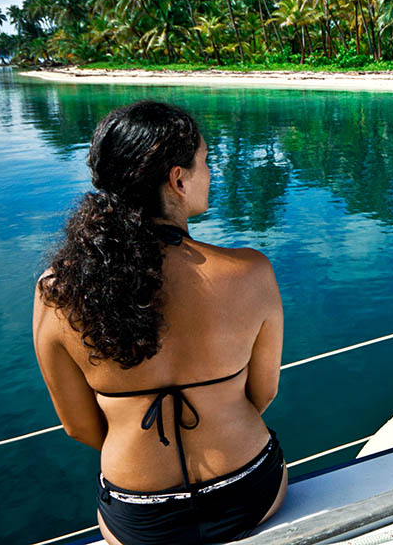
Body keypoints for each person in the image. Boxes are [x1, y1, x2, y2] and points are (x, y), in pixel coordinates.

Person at [33, 100, 286, 545]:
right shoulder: (251, 272)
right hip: (247, 489)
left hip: (139, 517)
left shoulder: (57, 292)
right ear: (177, 178)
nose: (210, 173)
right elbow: (262, 394)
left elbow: (79, 426)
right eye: (205, 162)